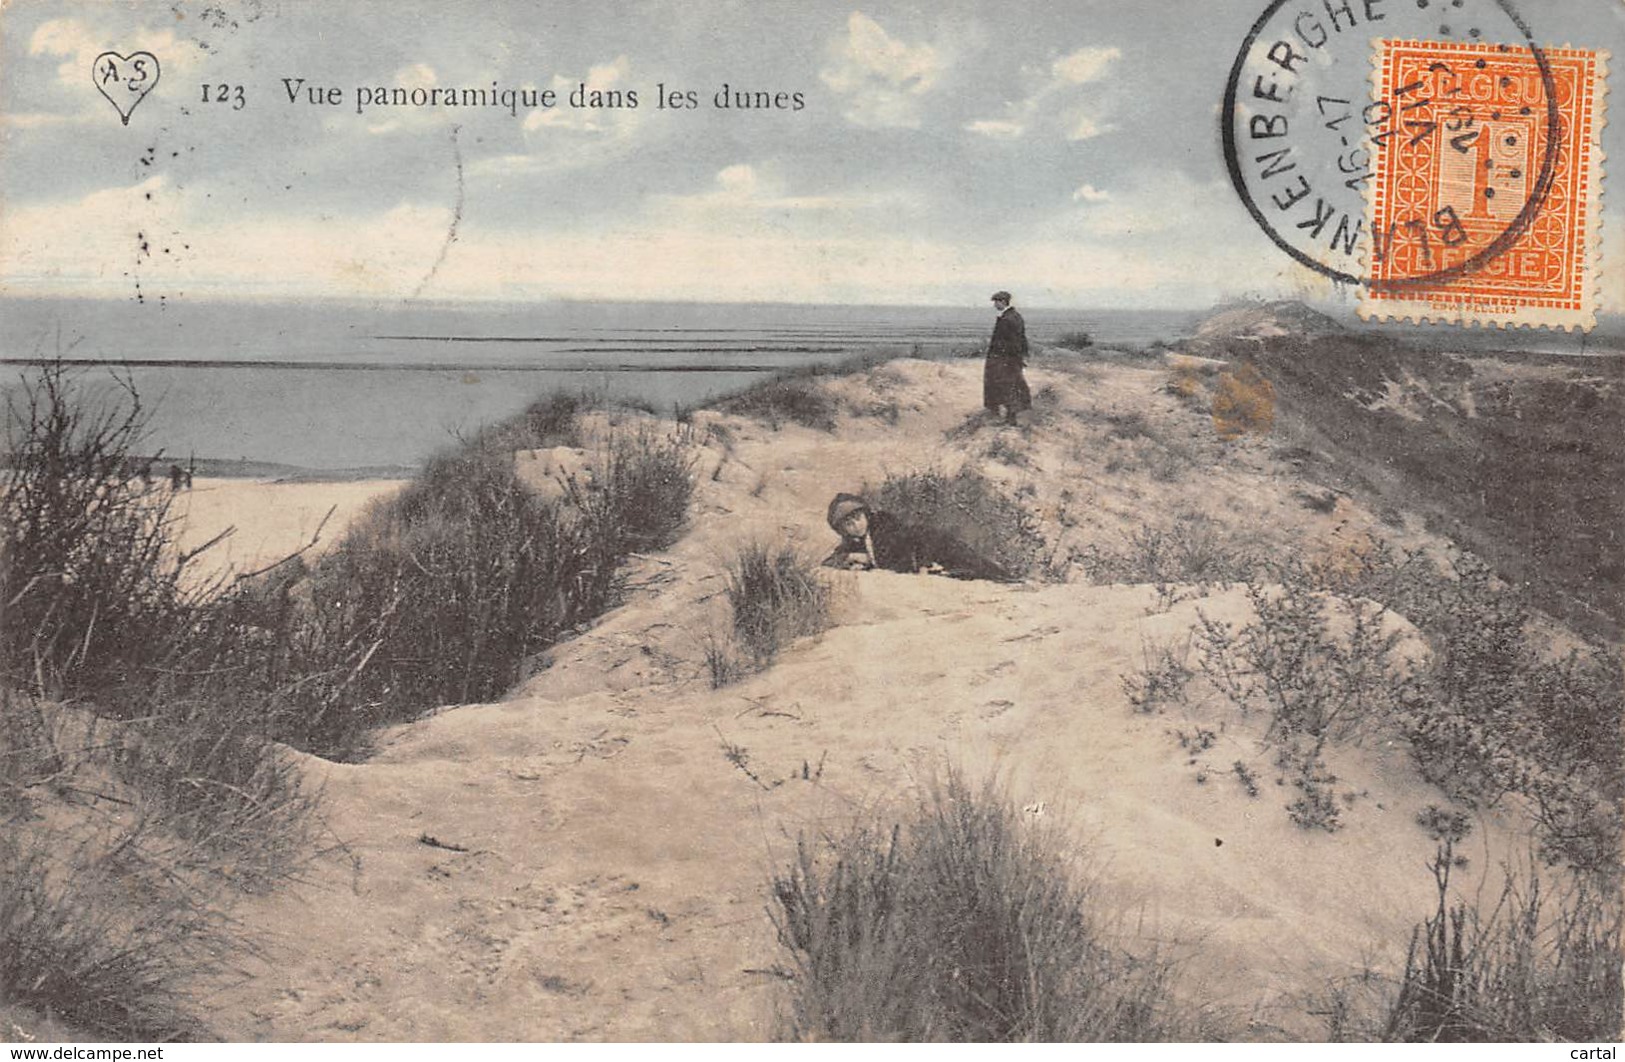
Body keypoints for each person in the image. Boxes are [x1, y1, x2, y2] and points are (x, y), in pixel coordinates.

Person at [983, 290, 1032, 426]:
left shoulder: (1007, 319)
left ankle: (1010, 418)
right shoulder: (1015, 316)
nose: (995, 305)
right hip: (1011, 359)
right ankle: (1011, 417)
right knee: (1012, 386)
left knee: (1005, 386)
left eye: (996, 302)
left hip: (1004, 360)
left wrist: (1006, 359)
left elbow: (1012, 342)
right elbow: (1022, 339)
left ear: (1003, 302)